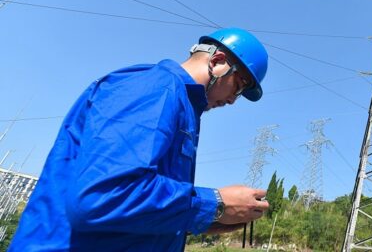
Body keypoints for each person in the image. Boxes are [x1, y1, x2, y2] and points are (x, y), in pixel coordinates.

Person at [9, 27, 270, 251]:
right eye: (238, 86)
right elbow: (103, 197)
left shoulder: (183, 107)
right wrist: (215, 204)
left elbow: (126, 212)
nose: (233, 100)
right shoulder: (155, 87)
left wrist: (206, 222)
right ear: (217, 62)